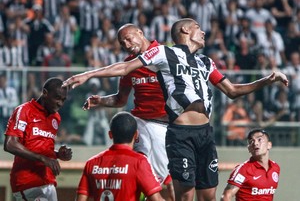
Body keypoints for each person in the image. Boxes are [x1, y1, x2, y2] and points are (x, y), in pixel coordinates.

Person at [63, 18, 288, 201]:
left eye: (127, 38)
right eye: (199, 28)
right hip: (166, 129)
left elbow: (233, 90)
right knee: (175, 188)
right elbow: (123, 74)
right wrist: (88, 75)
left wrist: (268, 79)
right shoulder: (161, 54)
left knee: (204, 194)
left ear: (140, 33)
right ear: (185, 30)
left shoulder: (204, 62)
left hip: (200, 133)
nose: (203, 32)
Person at [82, 24, 175, 200]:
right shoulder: (129, 64)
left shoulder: (165, 54)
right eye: (122, 42)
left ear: (140, 32)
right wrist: (100, 101)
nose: (126, 43)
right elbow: (120, 99)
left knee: (164, 181)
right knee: (143, 173)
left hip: (168, 127)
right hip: (143, 123)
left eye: (128, 38)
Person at [4, 77, 73, 201]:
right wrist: (43, 158)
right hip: (27, 182)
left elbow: (40, 147)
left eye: (63, 100)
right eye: (57, 98)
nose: (60, 103)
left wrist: (58, 154)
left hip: (48, 181)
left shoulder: (56, 117)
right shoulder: (24, 110)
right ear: (45, 93)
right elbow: (10, 144)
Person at [75, 111, 164, 201]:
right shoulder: (139, 162)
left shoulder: (92, 163)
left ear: (110, 135)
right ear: (136, 135)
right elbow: (156, 199)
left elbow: (80, 199)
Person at [220, 128, 280, 201]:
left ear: (269, 145)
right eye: (251, 141)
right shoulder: (243, 169)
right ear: (249, 148)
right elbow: (226, 196)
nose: (255, 143)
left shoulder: (275, 167)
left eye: (259, 140)